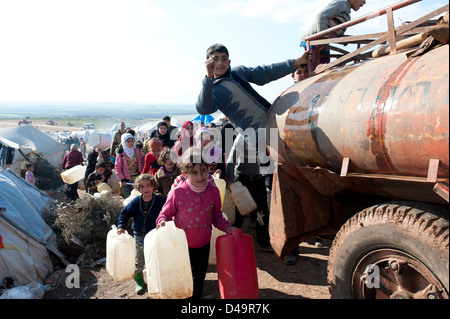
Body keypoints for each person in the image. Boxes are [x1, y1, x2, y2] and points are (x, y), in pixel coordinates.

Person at [196, 43, 310, 149]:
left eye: (224, 59)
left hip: (275, 124)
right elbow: (204, 108)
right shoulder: (213, 90)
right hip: (258, 139)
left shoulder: (238, 73)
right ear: (208, 63)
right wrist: (208, 78)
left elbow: (265, 73)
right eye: (215, 59)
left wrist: (296, 62)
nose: (220, 63)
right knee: (271, 168)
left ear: (229, 62)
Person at [156, 147, 232, 299]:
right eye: (194, 172)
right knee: (183, 276)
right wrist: (162, 221)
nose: (200, 176)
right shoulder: (177, 192)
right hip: (181, 245)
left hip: (203, 244)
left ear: (208, 169)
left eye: (203, 170)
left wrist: (227, 227)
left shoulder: (213, 191)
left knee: (199, 278)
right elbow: (165, 213)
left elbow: (216, 215)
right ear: (185, 174)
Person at [117, 174, 166, 294]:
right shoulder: (136, 202)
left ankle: (155, 279)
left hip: (155, 235)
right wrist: (121, 226)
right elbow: (124, 213)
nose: (146, 189)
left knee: (155, 258)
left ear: (153, 186)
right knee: (139, 260)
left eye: (148, 185)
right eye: (143, 187)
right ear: (139, 189)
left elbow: (168, 212)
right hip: (139, 235)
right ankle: (139, 281)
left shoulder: (160, 201)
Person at [300, 0, 367, 70]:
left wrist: (347, 39)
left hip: (324, 45)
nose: (364, 3)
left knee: (325, 66)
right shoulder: (342, 4)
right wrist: (322, 35)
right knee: (315, 69)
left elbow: (337, 35)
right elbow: (321, 16)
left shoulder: (347, 17)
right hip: (313, 41)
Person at [115, 133, 144, 199]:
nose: (131, 143)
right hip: (126, 180)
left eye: (132, 141)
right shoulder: (120, 153)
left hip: (137, 178)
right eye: (128, 141)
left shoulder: (136, 150)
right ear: (124, 142)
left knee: (138, 196)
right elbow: (117, 167)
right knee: (128, 197)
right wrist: (122, 180)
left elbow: (140, 162)